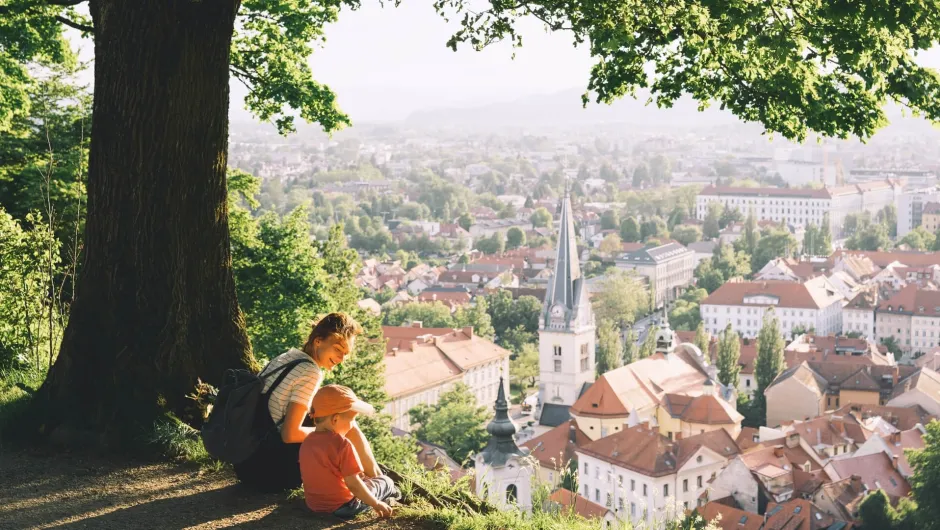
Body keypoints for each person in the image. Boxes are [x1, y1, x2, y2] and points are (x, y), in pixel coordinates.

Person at [233, 312, 381, 492]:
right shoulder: (310, 371)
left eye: (345, 354)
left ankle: (373, 478)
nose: (341, 359)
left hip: (246, 463)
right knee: (345, 422)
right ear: (318, 341)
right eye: (338, 350)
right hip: (271, 472)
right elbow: (290, 435)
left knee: (336, 418)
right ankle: (378, 481)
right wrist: (332, 432)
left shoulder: (288, 357)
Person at [300, 384, 399, 520]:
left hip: (314, 505)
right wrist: (375, 504)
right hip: (345, 508)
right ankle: (392, 497)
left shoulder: (307, 442)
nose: (352, 425)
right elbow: (354, 485)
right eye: (352, 420)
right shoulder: (342, 444)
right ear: (335, 419)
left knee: (365, 482)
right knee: (386, 481)